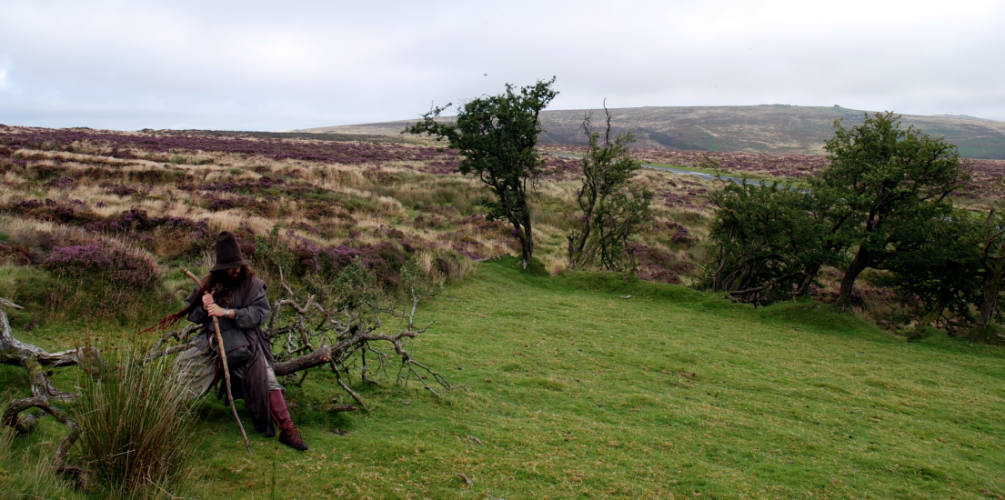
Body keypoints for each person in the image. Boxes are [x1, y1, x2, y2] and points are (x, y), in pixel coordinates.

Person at [174, 231, 307, 451]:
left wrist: (228, 313)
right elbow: (194, 316)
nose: (234, 271)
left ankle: (288, 430)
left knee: (267, 379)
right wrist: (204, 305)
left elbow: (260, 313)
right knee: (183, 372)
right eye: (229, 268)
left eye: (237, 266)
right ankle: (161, 414)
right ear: (221, 269)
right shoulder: (209, 283)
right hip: (213, 342)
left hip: (248, 342)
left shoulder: (253, 284)